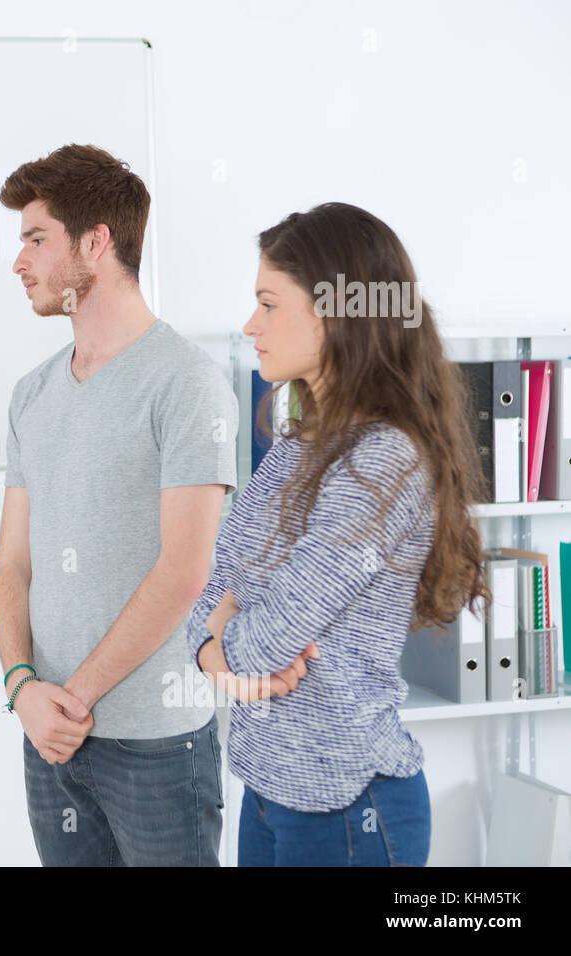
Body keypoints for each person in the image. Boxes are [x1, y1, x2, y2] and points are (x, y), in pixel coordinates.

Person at [187, 201, 490, 867]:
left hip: (350, 810)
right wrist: (219, 654)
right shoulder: (300, 442)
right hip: (266, 790)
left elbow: (268, 635)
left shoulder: (382, 460)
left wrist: (227, 635)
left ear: (334, 314)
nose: (250, 325)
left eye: (269, 304)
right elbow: (209, 594)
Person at [0, 143, 237, 866]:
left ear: (95, 243)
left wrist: (73, 698)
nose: (20, 261)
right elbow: (11, 563)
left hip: (155, 743)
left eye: (37, 238)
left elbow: (185, 572)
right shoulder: (32, 394)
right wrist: (25, 691)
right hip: (51, 740)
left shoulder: (185, 383)